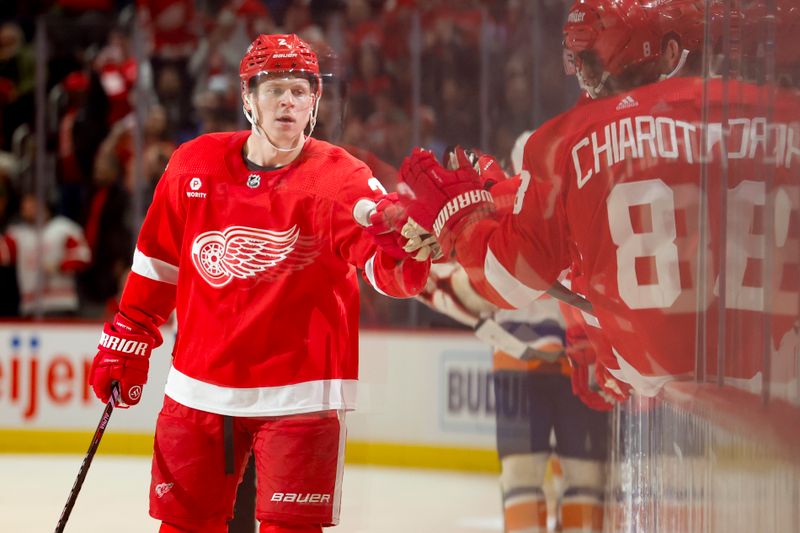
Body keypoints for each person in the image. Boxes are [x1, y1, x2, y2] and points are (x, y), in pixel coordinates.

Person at [88, 33, 430, 533]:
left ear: (315, 100)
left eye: (299, 90)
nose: (287, 101)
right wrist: (129, 336)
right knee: (183, 526)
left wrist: (408, 247)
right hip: (199, 390)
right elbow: (158, 264)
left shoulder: (342, 178)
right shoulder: (194, 165)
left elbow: (383, 269)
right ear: (248, 99)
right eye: (275, 89)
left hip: (299, 397)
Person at [396, 0, 798, 397]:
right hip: (777, 386)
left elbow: (514, 270)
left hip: (664, 379)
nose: (584, 77)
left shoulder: (570, 140)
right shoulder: (762, 124)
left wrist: (464, 215)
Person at [417, 148, 610, 533]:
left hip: (521, 366)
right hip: (579, 365)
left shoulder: (492, 214)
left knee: (524, 478)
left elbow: (453, 290)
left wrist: (428, 266)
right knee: (584, 479)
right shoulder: (577, 204)